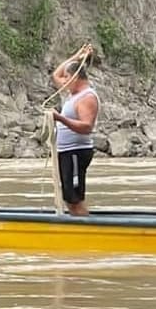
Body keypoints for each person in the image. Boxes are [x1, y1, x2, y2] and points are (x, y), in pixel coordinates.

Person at [51, 46, 99, 216]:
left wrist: (60, 119)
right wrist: (77, 57)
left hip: (76, 152)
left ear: (77, 77)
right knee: (69, 198)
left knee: (75, 199)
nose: (63, 81)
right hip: (67, 152)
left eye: (68, 78)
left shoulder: (87, 97)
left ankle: (89, 233)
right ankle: (80, 227)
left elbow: (86, 127)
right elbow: (56, 75)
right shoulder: (74, 94)